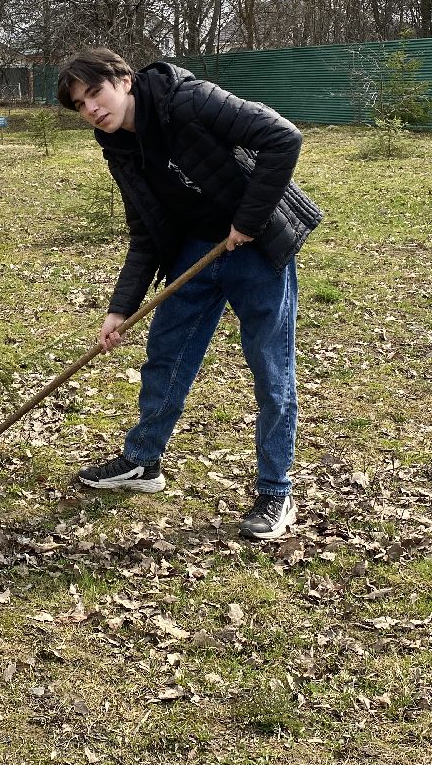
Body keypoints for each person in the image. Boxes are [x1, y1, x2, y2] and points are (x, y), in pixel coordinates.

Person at [58, 47, 322, 541]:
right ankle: (142, 463)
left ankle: (275, 491)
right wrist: (120, 309)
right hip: (197, 251)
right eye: (80, 104)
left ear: (126, 81)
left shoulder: (189, 99)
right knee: (167, 353)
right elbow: (146, 232)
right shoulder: (117, 145)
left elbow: (283, 138)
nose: (91, 108)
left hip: (255, 244)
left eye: (95, 93)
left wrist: (248, 220)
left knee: (270, 365)